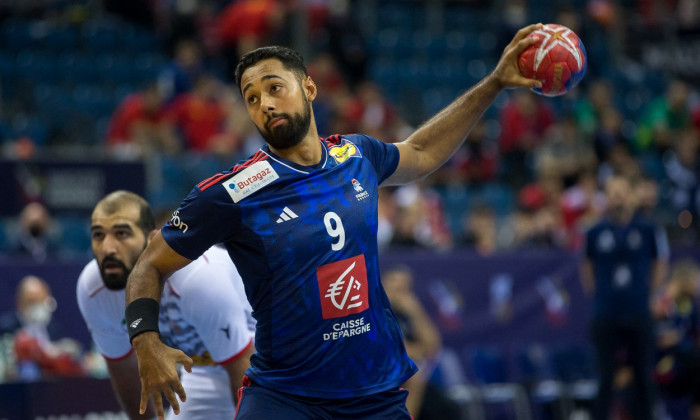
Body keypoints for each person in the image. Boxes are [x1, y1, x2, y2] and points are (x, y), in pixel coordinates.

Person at [124, 24, 545, 420]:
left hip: (373, 392)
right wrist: (145, 342)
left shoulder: (356, 156)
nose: (265, 103)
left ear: (308, 88)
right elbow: (149, 263)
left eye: (274, 88)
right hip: (285, 395)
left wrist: (493, 84)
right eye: (251, 98)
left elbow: (422, 151)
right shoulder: (234, 191)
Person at [76, 190, 254, 419]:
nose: (108, 248)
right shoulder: (93, 288)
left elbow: (242, 368)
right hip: (202, 370)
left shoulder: (197, 278)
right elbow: (124, 370)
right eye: (98, 235)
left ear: (152, 239)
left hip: (257, 357)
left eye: (122, 234)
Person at [580, 175, 670, 420]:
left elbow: (660, 263)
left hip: (638, 310)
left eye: (622, 192)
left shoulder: (648, 229)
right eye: (613, 192)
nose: (617, 197)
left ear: (631, 195)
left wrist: (651, 294)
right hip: (606, 312)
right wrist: (598, 293)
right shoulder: (595, 231)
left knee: (642, 373)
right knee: (606, 375)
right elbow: (586, 265)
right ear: (606, 197)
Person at [383, 266, 462, 420]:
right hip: (388, 374)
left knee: (447, 408)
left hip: (411, 374)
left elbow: (433, 344)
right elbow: (397, 350)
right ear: (384, 285)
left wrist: (415, 310)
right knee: (416, 379)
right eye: (396, 285)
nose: (401, 291)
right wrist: (421, 349)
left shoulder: (407, 313)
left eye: (405, 287)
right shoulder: (379, 312)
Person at [0, 275, 83, 381]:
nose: (38, 306)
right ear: (20, 302)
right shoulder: (6, 329)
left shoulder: (52, 328)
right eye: (32, 301)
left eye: (42, 300)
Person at [653, 259, 700, 419]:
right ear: (682, 279)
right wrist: (679, 339)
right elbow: (662, 340)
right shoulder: (661, 302)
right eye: (695, 280)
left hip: (685, 364)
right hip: (660, 364)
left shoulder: (688, 304)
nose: (697, 286)